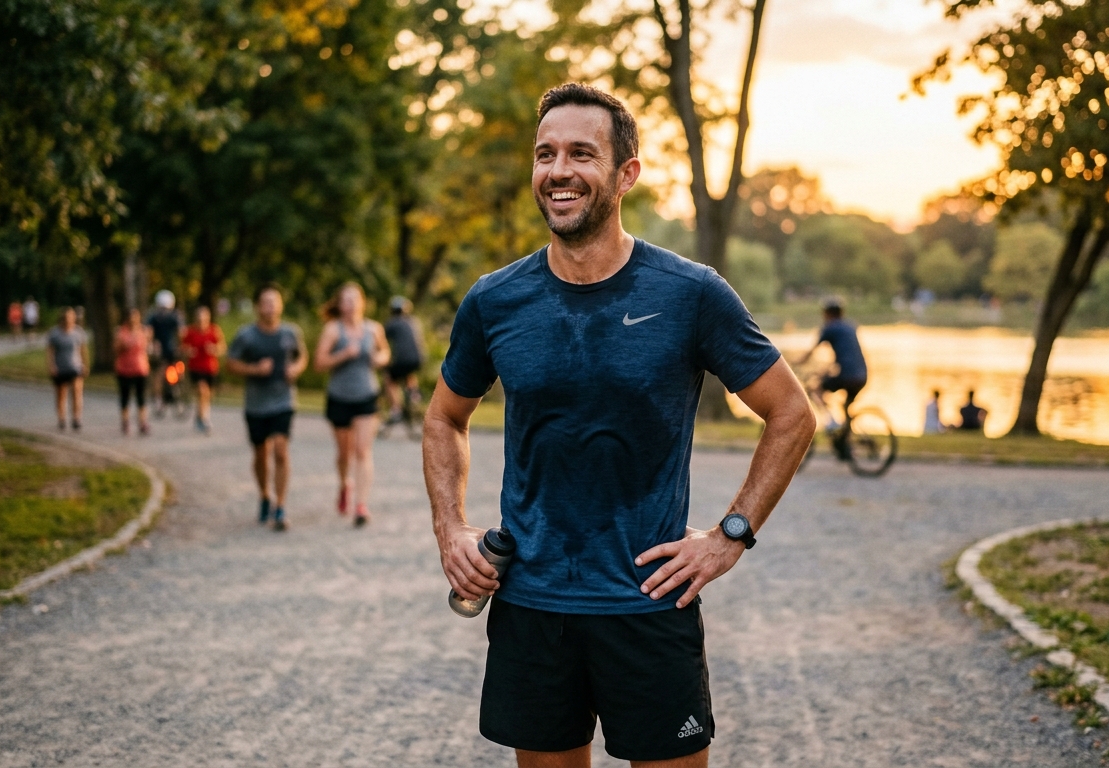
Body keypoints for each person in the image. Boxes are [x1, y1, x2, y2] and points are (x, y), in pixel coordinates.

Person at [424, 84, 814, 768]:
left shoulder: (690, 294)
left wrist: (731, 535)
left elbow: (792, 414)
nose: (559, 170)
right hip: (532, 605)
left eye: (581, 152)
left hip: (648, 604)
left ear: (626, 173)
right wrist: (450, 529)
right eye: (546, 154)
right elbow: (443, 418)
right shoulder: (495, 300)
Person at [227, 284, 308, 531]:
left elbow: (301, 356)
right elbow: (230, 363)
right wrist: (253, 369)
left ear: (281, 305)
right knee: (261, 454)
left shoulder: (290, 332)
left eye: (274, 302)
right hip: (256, 403)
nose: (270, 307)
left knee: (281, 450)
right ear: (257, 307)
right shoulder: (246, 335)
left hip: (283, 400)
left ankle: (280, 506)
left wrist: (296, 369)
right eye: (265, 302)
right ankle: (264, 494)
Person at [316, 283, 392, 525]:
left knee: (362, 450)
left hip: (366, 395)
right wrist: (342, 355)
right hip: (339, 397)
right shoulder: (332, 330)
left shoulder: (373, 329)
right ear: (339, 304)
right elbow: (319, 363)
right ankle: (344, 484)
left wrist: (378, 358)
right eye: (345, 300)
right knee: (344, 454)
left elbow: (385, 353)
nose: (350, 304)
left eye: (354, 299)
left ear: (362, 302)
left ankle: (361, 505)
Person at [794, 299, 866, 431]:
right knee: (846, 409)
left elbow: (811, 352)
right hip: (862, 375)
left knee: (816, 389)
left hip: (847, 375)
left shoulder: (830, 328)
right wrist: (825, 370)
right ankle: (846, 443)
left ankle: (831, 421)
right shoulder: (850, 326)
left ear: (827, 314)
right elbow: (846, 356)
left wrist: (794, 363)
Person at [383, 295, 426, 429]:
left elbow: (380, 340)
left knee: (389, 377)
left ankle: (396, 409)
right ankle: (413, 394)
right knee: (408, 372)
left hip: (402, 359)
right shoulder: (413, 321)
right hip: (419, 359)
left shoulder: (392, 323)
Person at [182, 306, 225, 435]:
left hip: (210, 368)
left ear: (208, 318)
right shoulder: (190, 331)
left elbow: (222, 347)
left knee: (206, 396)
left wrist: (214, 349)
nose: (201, 321)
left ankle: (199, 416)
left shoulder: (214, 330)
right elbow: (182, 347)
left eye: (204, 318)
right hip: (195, 367)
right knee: (202, 390)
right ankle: (203, 420)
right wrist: (188, 351)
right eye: (199, 319)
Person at [46, 307, 88, 431]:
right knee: (61, 394)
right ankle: (61, 418)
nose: (69, 320)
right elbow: (50, 351)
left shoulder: (78, 332)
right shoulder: (55, 333)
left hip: (75, 366)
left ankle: (76, 418)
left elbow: (82, 350)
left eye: (71, 317)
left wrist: (85, 364)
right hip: (60, 367)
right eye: (66, 317)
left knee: (76, 392)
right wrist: (51, 366)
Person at [114, 308, 153, 436]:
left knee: (141, 397)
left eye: (135, 317)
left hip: (140, 369)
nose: (133, 320)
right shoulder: (121, 332)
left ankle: (142, 422)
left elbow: (148, 347)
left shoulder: (144, 331)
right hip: (124, 369)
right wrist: (124, 345)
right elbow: (115, 349)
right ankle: (125, 421)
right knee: (125, 397)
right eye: (131, 317)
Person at [147, 289, 183, 419]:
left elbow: (180, 333)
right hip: (161, 351)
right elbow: (149, 332)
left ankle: (178, 397)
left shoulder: (174, 316)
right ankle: (159, 400)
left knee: (178, 373)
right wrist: (151, 345)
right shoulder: (154, 317)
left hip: (172, 350)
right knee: (160, 374)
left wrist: (180, 346)